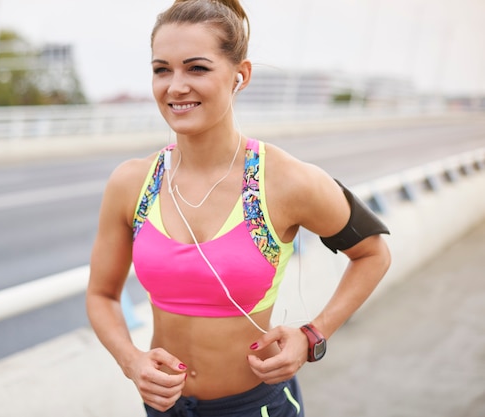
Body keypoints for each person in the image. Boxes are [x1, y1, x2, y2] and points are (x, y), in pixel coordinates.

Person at [86, 0, 391, 415]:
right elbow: (102, 295)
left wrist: (312, 336)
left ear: (240, 76)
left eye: (197, 68)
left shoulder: (285, 180)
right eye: (162, 69)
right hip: (163, 409)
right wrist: (131, 361)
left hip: (255, 407)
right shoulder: (132, 183)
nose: (176, 86)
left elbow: (373, 252)